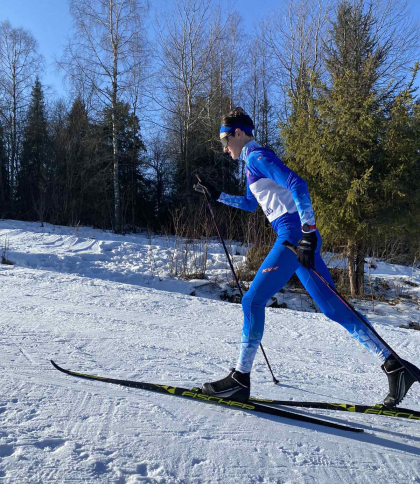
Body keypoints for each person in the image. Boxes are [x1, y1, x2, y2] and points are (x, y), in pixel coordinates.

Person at [194, 107, 416, 407]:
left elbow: (298, 184)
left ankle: (239, 380)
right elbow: (250, 205)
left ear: (238, 133)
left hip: (294, 236)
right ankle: (395, 366)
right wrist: (217, 194)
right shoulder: (251, 163)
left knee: (252, 301)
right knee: (333, 308)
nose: (224, 148)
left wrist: (308, 232)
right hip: (296, 237)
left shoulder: (258, 156)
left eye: (224, 140)